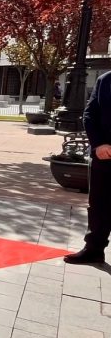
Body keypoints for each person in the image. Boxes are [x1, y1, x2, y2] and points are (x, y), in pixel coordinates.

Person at [64, 70, 111, 265]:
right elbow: (90, 114)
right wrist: (99, 144)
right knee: (98, 204)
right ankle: (94, 250)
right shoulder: (105, 80)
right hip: (104, 155)